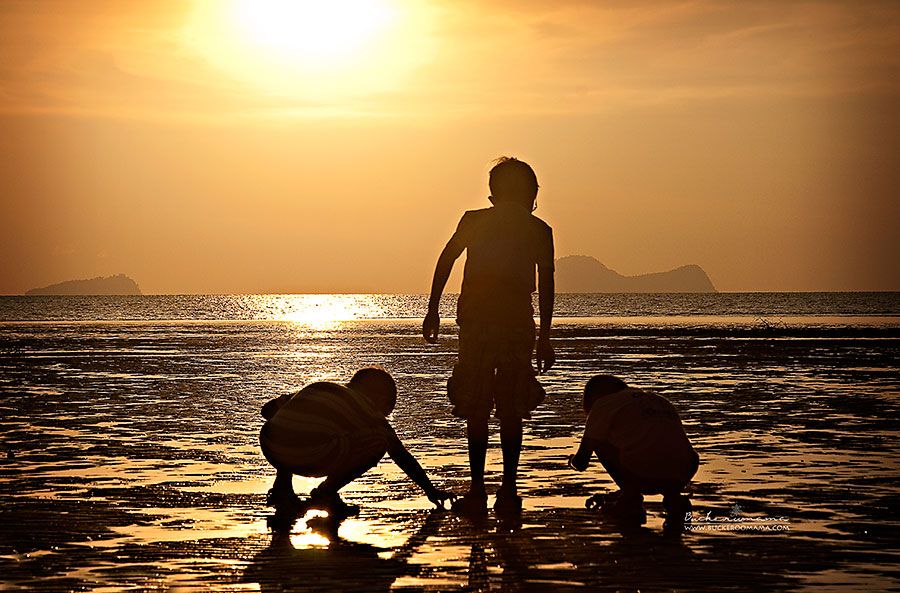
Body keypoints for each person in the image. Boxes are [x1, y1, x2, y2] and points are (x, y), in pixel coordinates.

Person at [423, 157, 555, 515]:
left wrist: (433, 308)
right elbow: (546, 286)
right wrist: (544, 335)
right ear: (530, 192)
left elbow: (445, 260)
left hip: (481, 321)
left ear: (493, 192)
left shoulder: (478, 221)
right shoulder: (537, 229)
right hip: (511, 321)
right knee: (509, 408)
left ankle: (480, 488)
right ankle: (507, 489)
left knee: (477, 406)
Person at [259, 367, 454, 520]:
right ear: (381, 399)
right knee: (379, 440)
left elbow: (267, 411)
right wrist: (430, 490)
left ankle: (282, 488)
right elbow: (400, 454)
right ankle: (326, 493)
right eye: (386, 410)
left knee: (286, 425)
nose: (384, 416)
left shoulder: (322, 388)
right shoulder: (367, 409)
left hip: (270, 445)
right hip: (308, 454)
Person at [567, 375, 699, 524]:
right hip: (685, 470)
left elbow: (581, 462)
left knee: (597, 440)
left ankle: (631, 498)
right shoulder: (656, 399)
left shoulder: (603, 404)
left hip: (644, 470)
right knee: (656, 443)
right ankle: (673, 497)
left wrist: (571, 461)